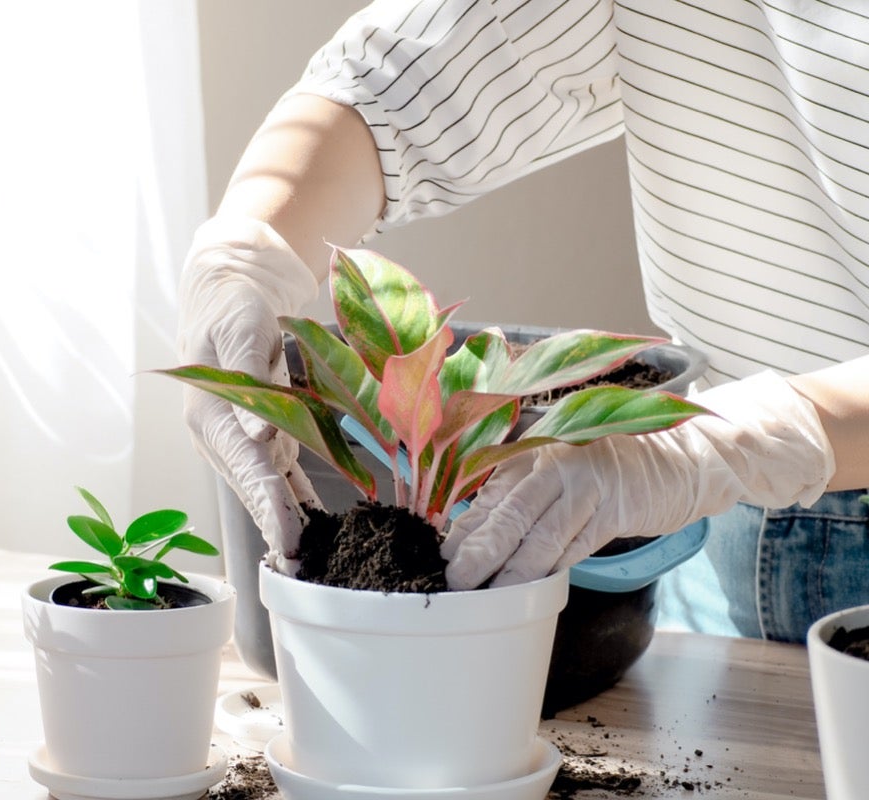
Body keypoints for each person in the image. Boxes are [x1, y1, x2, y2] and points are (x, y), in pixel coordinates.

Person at [177, 0, 869, 643]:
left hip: (746, 466)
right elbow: (417, 68)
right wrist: (249, 251)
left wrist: (727, 448)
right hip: (723, 522)